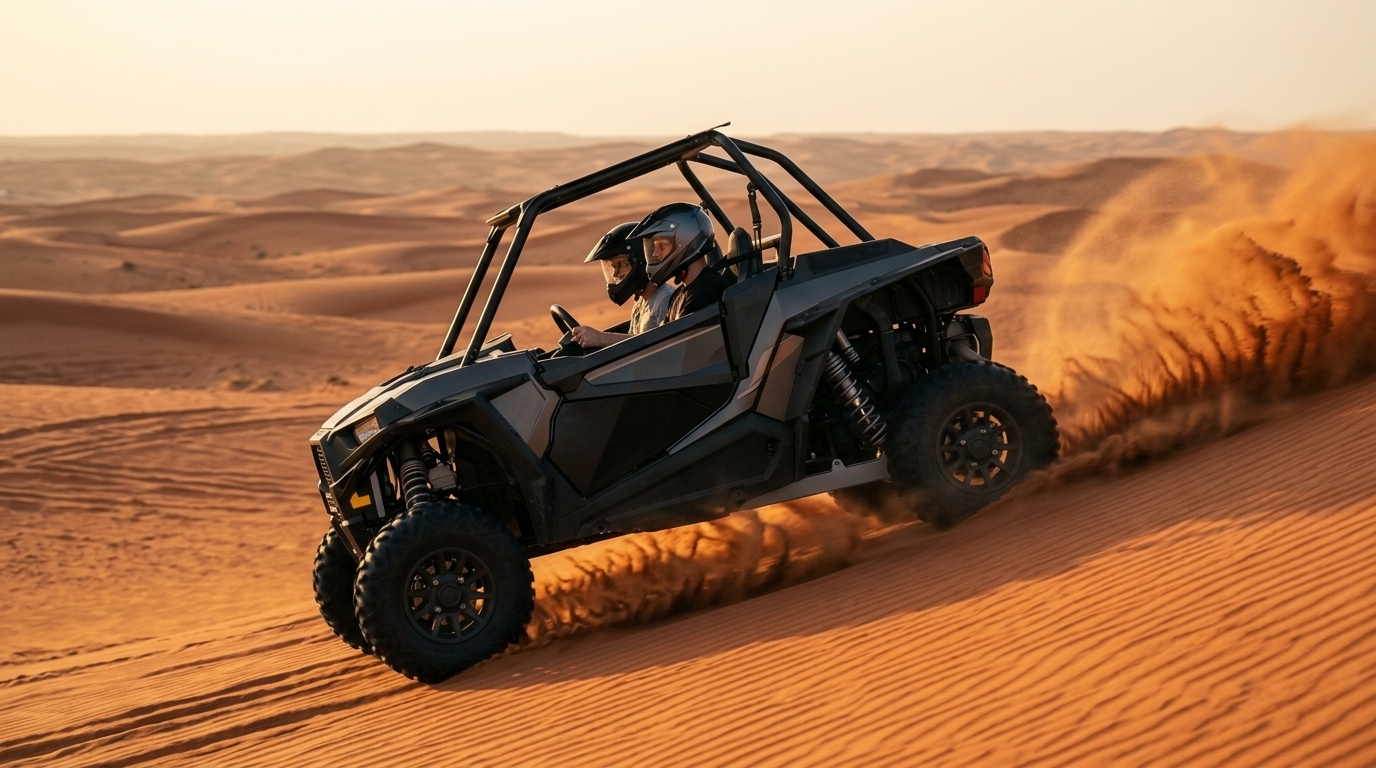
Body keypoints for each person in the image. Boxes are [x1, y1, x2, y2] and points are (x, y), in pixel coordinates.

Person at [568, 222, 677, 348]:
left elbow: (661, 347)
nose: (616, 274)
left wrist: (601, 338)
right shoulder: (641, 303)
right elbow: (631, 348)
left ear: (641, 260)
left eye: (621, 264)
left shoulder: (665, 300)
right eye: (614, 266)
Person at [632, 202, 731, 323]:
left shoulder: (706, 290)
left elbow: (680, 335)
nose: (655, 253)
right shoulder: (679, 294)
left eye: (662, 246)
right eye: (655, 246)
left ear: (684, 242)